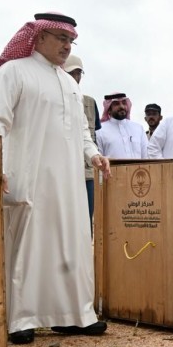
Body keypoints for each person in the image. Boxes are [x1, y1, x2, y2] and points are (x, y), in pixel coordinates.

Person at [0, 12, 111, 344]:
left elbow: (82, 132)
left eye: (71, 41)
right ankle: (20, 319)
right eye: (61, 39)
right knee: (27, 247)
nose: (67, 46)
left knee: (72, 247)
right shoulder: (14, 72)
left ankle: (73, 315)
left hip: (68, 183)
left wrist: (93, 155)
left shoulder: (69, 82)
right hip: (27, 177)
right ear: (38, 38)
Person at [63, 54, 102, 231]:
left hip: (87, 172)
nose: (76, 78)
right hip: (63, 171)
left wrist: (95, 156)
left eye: (79, 73)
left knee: (86, 220)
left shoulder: (88, 102)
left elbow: (89, 135)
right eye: (72, 73)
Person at [96, 92, 148, 158]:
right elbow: (99, 159)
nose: (122, 106)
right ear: (109, 109)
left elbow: (146, 157)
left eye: (124, 103)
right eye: (117, 104)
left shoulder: (138, 128)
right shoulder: (100, 130)